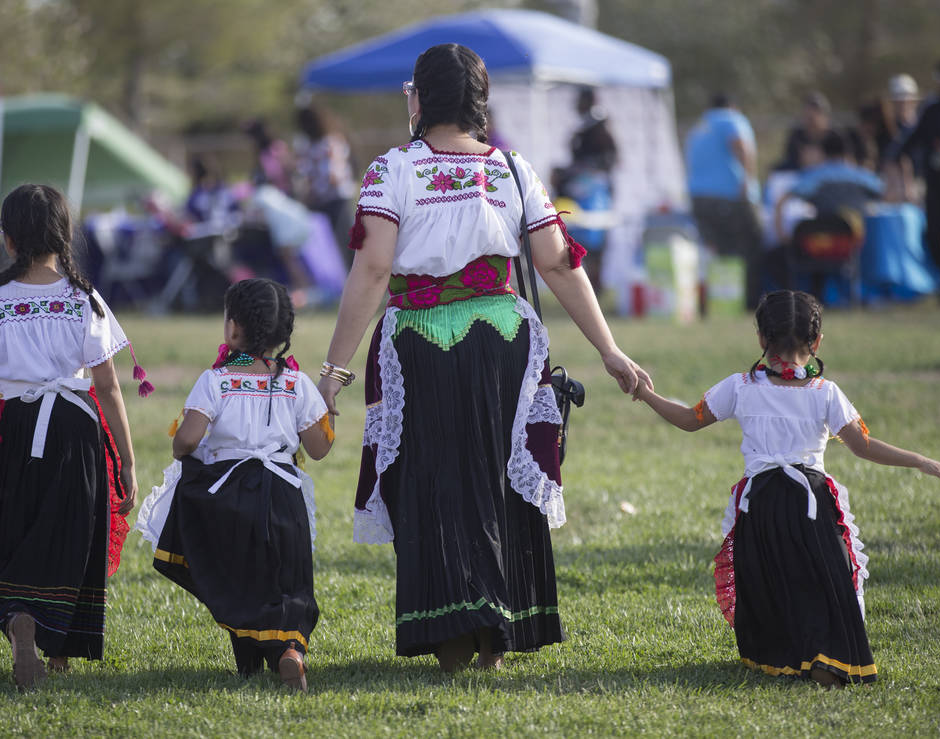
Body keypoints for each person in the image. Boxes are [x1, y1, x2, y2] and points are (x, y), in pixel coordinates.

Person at [318, 43, 650, 672]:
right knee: (496, 481)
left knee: (437, 484)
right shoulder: (512, 169)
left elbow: (374, 265)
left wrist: (333, 371)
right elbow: (556, 261)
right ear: (477, 100)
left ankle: (449, 639)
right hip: (504, 340)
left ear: (420, 99)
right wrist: (609, 349)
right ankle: (498, 632)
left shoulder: (393, 169)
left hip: (420, 343)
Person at [636, 290, 940, 687]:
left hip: (761, 505)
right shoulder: (826, 393)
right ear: (817, 342)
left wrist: (645, 393)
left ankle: (781, 656)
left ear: (761, 340)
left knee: (773, 580)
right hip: (812, 506)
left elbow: (688, 418)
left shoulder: (740, 387)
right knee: (823, 582)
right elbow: (863, 446)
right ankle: (827, 658)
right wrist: (919, 460)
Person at [0, 184, 141, 690]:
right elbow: (107, 385)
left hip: (14, 426)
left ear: (8, 240)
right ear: (64, 236)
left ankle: (21, 618)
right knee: (73, 533)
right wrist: (125, 459)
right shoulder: (84, 299)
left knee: (18, 526)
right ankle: (58, 655)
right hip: (76, 428)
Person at [135, 278, 333, 692]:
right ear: (284, 332)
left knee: (238, 576)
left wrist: (180, 446)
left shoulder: (218, 380)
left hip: (229, 496)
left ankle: (249, 660)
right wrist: (326, 414)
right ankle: (291, 652)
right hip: (283, 496)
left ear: (233, 328)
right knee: (289, 580)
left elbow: (187, 440)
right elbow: (318, 448)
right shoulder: (297, 384)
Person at [685, 93, 763, 311]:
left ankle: (718, 302)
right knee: (747, 246)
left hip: (699, 198)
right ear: (733, 106)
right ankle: (747, 302)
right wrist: (749, 180)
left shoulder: (699, 126)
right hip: (727, 197)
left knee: (717, 252)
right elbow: (741, 145)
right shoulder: (730, 119)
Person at [893, 57, 940, 302]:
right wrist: (893, 156)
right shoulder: (934, 109)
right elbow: (914, 138)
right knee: (933, 235)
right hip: (939, 187)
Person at [556, 87, 618, 297]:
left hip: (595, 193)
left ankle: (595, 285)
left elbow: (611, 159)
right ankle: (582, 286)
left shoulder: (599, 126)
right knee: (580, 237)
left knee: (595, 237)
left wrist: (586, 170)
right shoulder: (583, 127)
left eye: (580, 101)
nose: (576, 106)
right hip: (580, 192)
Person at [293, 103, 357, 246]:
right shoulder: (308, 146)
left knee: (344, 241)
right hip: (320, 201)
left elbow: (335, 175)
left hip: (337, 199)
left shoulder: (331, 143)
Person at [777, 92, 835, 172]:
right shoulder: (797, 135)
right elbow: (790, 161)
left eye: (817, 112)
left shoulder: (835, 137)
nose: (811, 121)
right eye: (808, 117)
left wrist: (822, 159)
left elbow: (844, 163)